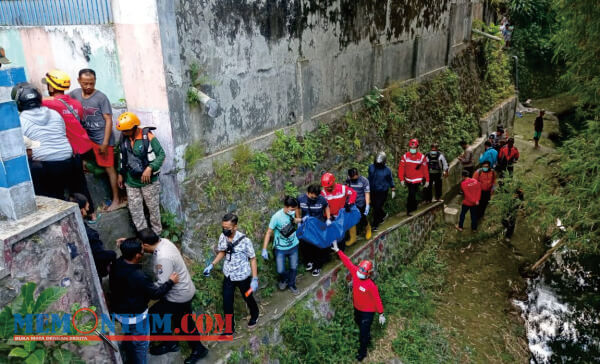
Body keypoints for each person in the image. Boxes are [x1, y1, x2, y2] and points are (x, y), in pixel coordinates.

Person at [140, 229, 208, 363]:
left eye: (141, 245)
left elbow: (162, 285)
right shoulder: (164, 242)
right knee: (181, 321)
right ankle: (175, 344)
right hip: (184, 289)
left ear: (146, 245)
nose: (141, 249)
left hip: (178, 296)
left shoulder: (163, 258)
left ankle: (192, 347)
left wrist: (145, 289)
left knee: (155, 316)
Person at [109, 238, 179, 364]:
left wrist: (127, 245)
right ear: (137, 255)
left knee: (129, 333)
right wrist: (170, 282)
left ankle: (128, 349)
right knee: (141, 344)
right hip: (136, 316)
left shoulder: (117, 264)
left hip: (119, 312)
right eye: (141, 249)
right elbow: (156, 294)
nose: (144, 250)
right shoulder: (139, 276)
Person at [12, 83, 86, 200]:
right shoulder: (54, 113)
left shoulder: (21, 121)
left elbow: (25, 148)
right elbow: (60, 134)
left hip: (45, 167)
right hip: (69, 161)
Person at [42, 69, 97, 220]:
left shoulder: (46, 103)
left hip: (62, 151)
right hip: (78, 151)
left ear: (51, 87)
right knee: (80, 183)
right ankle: (91, 213)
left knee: (57, 189)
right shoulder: (76, 103)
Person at [70, 69, 125, 211]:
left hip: (101, 138)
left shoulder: (101, 98)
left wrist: (105, 143)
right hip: (86, 138)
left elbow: (108, 120)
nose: (88, 86)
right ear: (79, 81)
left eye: (91, 83)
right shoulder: (75, 94)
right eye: (85, 83)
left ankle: (116, 200)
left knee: (109, 168)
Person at [203, 214, 260, 334]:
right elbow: (223, 251)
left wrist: (254, 278)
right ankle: (229, 328)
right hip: (228, 275)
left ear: (235, 227)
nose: (225, 230)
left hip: (242, 276)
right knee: (227, 302)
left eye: (227, 227)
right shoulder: (222, 237)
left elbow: (253, 258)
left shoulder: (245, 241)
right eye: (223, 227)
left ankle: (255, 313)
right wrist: (212, 265)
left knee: (248, 297)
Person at [331, 240, 384, 362]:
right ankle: (367, 336)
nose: (359, 273)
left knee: (363, 333)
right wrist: (338, 250)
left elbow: (377, 299)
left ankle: (362, 352)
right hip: (357, 308)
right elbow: (347, 262)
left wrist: (381, 313)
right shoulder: (355, 272)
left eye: (362, 273)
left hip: (368, 312)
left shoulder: (371, 286)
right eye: (359, 271)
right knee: (358, 323)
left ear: (368, 274)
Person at [116, 112, 166, 235]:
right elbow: (122, 157)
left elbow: (161, 155)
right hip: (131, 181)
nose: (124, 133)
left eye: (126, 131)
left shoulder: (148, 137)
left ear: (134, 128)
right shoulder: (123, 138)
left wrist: (150, 168)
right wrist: (120, 174)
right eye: (123, 131)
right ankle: (143, 235)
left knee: (153, 209)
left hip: (149, 182)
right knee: (135, 210)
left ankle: (157, 235)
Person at [70, 193, 116, 278]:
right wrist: (113, 254)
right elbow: (100, 256)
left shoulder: (70, 228)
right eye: (86, 209)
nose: (87, 211)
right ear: (81, 211)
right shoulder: (90, 234)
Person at [262, 196, 302, 295]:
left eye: (295, 209)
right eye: (292, 209)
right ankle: (284, 279)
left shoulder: (292, 212)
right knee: (280, 270)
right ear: (286, 206)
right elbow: (268, 232)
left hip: (294, 245)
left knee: (294, 267)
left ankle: (292, 284)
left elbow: (296, 218)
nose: (293, 211)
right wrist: (264, 249)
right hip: (280, 248)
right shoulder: (276, 217)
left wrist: (299, 220)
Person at [297, 184, 331, 277]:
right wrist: (298, 219)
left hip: (318, 227)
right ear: (309, 193)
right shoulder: (301, 198)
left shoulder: (321, 199)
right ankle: (309, 261)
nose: (314, 198)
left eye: (316, 196)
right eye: (313, 196)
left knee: (317, 247)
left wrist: (328, 219)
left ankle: (317, 266)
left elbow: (326, 207)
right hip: (306, 227)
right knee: (306, 246)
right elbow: (297, 208)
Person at [320, 172, 356, 252]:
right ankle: (333, 249)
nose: (328, 189)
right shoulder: (323, 193)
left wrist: (350, 203)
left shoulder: (343, 188)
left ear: (333, 182)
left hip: (341, 216)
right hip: (330, 217)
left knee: (341, 235)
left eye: (329, 187)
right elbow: (322, 204)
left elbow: (353, 193)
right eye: (326, 187)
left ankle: (341, 250)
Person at [398, 139, 429, 216]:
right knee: (411, 194)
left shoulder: (422, 157)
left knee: (412, 194)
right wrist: (401, 179)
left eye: (414, 148)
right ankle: (411, 209)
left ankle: (412, 209)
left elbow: (425, 169)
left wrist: (427, 180)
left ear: (417, 147)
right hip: (408, 180)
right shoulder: (405, 157)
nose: (412, 149)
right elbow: (401, 168)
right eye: (411, 148)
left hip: (417, 181)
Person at [368, 152, 395, 231]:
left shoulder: (387, 170)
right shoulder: (371, 167)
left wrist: (393, 188)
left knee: (377, 207)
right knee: (374, 205)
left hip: (383, 191)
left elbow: (390, 179)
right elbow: (369, 178)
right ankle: (383, 215)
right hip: (373, 190)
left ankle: (375, 225)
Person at [346, 168, 371, 243]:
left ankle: (368, 229)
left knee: (363, 219)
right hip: (351, 204)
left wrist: (367, 205)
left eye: (354, 177)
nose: (353, 178)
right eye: (351, 177)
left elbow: (367, 193)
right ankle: (353, 238)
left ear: (357, 174)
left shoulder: (364, 181)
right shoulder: (348, 180)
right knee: (351, 221)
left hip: (361, 203)